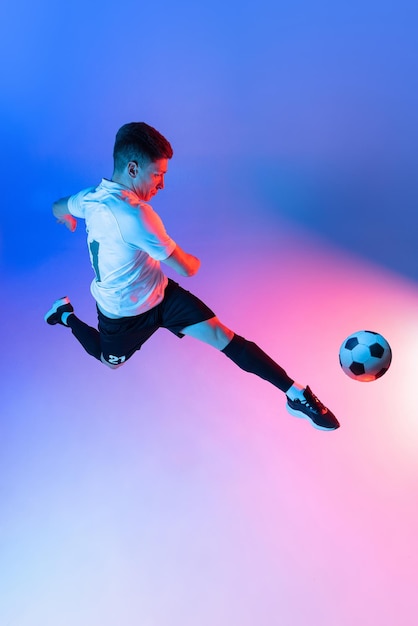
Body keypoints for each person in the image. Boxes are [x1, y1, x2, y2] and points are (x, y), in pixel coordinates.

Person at [45, 122, 340, 432]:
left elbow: (58, 206)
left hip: (161, 294)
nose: (161, 185)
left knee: (223, 337)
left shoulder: (90, 197)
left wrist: (65, 217)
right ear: (133, 169)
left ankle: (296, 394)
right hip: (122, 313)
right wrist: (196, 259)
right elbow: (188, 267)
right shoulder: (135, 215)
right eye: (157, 174)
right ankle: (65, 316)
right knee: (109, 360)